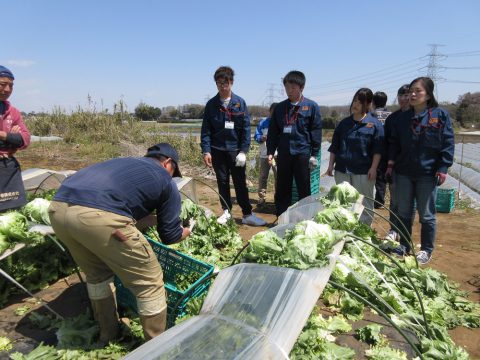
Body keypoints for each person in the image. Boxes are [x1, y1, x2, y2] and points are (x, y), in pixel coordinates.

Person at [48, 143, 192, 343]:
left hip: (58, 210)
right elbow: (170, 236)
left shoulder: (125, 163)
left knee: (97, 275)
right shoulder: (165, 180)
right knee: (150, 283)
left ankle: (107, 334)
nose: (172, 176)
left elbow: (123, 208)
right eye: (174, 171)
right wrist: (188, 230)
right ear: (168, 163)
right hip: (97, 216)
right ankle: (156, 346)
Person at [387, 77, 454, 265]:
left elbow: (447, 141)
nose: (413, 94)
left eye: (418, 91)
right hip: (404, 171)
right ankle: (405, 245)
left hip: (427, 172)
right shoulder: (402, 118)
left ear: (428, 94)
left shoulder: (439, 115)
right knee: (404, 211)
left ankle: (426, 250)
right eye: (411, 91)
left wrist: (443, 167)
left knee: (426, 214)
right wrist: (391, 164)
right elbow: (394, 143)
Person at [201, 66, 266, 226]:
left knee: (239, 182)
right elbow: (206, 130)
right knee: (222, 182)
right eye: (219, 83)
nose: (222, 87)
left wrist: (243, 151)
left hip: (235, 151)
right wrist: (206, 151)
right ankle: (226, 212)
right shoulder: (211, 105)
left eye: (225, 83)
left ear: (231, 82)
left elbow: (245, 129)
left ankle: (247, 214)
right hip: (217, 151)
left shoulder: (239, 103)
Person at [266, 70, 322, 216]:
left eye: (292, 88)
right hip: (284, 153)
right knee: (283, 188)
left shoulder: (311, 106)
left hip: (302, 154)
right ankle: (282, 217)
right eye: (286, 88)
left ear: (301, 87)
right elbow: (273, 132)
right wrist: (271, 152)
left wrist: (314, 154)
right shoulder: (280, 108)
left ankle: (306, 218)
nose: (289, 91)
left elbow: (316, 131)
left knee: (304, 187)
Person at [326, 88, 384, 224]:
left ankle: (363, 233)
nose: (355, 105)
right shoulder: (344, 124)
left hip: (364, 171)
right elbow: (335, 146)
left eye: (360, 102)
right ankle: (345, 233)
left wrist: (374, 168)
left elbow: (378, 150)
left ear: (369, 104)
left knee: (365, 203)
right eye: (355, 101)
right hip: (342, 170)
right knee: (343, 203)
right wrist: (330, 166)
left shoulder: (375, 125)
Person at [383, 85, 414, 242]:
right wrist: (388, 165)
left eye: (407, 95)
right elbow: (388, 143)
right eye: (401, 95)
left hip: (411, 166)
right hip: (394, 165)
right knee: (394, 200)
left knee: (407, 203)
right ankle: (393, 229)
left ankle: (405, 233)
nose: (404, 98)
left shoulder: (417, 116)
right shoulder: (392, 118)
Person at [0, 66, 31, 212]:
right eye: (2, 84)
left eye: (10, 86)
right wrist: (12, 140)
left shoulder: (13, 112)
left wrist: (5, 136)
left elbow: (25, 139)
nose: (7, 89)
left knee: (13, 210)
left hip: (8, 166)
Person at [254, 102, 278, 207]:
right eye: (273, 111)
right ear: (270, 111)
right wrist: (261, 138)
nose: (274, 114)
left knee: (278, 177)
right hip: (264, 154)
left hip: (278, 155)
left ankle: (277, 197)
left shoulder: (281, 123)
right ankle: (262, 198)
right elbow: (256, 135)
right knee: (263, 177)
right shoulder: (263, 123)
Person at [372, 91, 392, 208]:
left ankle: (374, 199)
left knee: (374, 173)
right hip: (388, 148)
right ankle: (380, 200)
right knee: (382, 177)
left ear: (373, 102)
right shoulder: (391, 114)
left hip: (375, 148)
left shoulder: (372, 114)